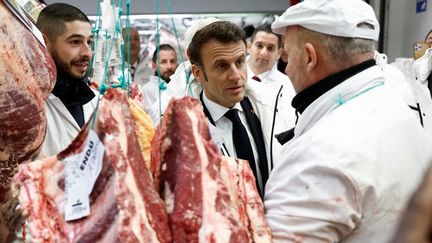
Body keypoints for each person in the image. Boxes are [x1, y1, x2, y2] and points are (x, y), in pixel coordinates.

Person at [264, 0, 432, 242]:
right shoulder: (398, 105)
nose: (286, 69)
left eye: (287, 58)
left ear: (310, 57)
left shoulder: (316, 157)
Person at [186, 20, 293, 198]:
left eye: (240, 62)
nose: (236, 75)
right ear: (198, 73)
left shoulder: (270, 108)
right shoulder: (188, 131)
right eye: (221, 66)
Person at [36, 3, 98, 156]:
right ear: (45, 43)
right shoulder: (29, 110)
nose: (87, 53)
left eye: (89, 42)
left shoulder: (96, 101)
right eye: (75, 42)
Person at [246, 24, 296, 143]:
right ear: (249, 47)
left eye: (270, 48)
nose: (264, 53)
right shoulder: (234, 78)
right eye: (259, 46)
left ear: (279, 53)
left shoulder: (288, 85)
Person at [140, 44, 178, 123]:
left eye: (172, 61)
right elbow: (151, 121)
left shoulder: (181, 87)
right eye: (163, 62)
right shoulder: (147, 90)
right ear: (154, 66)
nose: (169, 66)